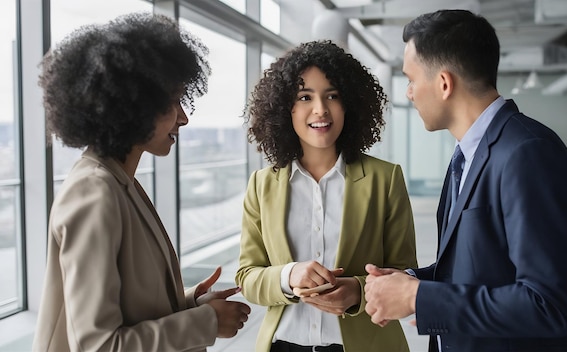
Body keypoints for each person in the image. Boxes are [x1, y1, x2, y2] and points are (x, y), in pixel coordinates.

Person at [363, 9, 567, 352]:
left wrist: (420, 297)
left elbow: (548, 304)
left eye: (411, 79)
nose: (408, 92)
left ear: (443, 83)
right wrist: (408, 282)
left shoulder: (528, 154)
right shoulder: (467, 155)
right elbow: (479, 269)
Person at [32, 13, 251, 351]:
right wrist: (206, 321)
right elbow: (99, 344)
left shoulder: (120, 183)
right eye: (171, 102)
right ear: (132, 105)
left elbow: (124, 310)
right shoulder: (94, 192)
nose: (184, 116)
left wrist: (191, 303)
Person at [235, 40, 417, 352]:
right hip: (283, 344)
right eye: (305, 97)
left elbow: (405, 272)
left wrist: (358, 292)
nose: (320, 109)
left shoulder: (385, 180)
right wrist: (289, 275)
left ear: (349, 104)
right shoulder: (261, 185)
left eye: (332, 95)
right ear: (284, 108)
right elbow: (248, 276)